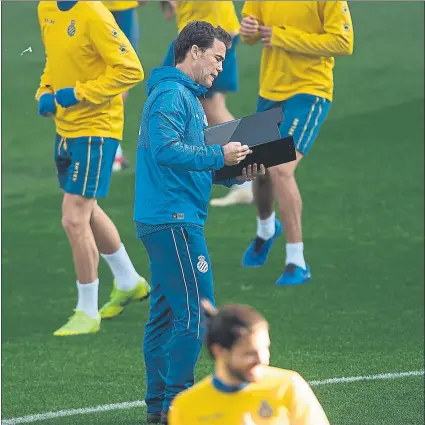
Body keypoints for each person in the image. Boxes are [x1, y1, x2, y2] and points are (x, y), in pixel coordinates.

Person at [134, 21, 265, 424]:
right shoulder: (173, 95)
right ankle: (177, 408)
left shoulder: (183, 96)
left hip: (166, 217)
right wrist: (218, 157)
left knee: (166, 315)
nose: (220, 68)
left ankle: (159, 407)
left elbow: (189, 160)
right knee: (196, 313)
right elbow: (166, 151)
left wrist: (234, 171)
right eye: (217, 57)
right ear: (193, 52)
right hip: (175, 221)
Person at [36, 0, 150, 336]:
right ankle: (129, 280)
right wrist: (45, 89)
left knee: (73, 217)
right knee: (87, 209)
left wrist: (83, 93)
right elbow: (55, 62)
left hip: (97, 129)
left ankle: (87, 312)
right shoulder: (46, 8)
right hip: (65, 127)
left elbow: (131, 69)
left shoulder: (93, 13)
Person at [239, 1, 354, 285]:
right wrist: (249, 30)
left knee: (281, 168)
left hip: (309, 90)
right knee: (257, 167)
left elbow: (342, 41)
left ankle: (297, 261)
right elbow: (250, 31)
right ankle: (266, 230)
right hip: (270, 89)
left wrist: (281, 36)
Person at [168, 300, 330, 425]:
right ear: (220, 351)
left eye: (265, 348)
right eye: (249, 353)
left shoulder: (287, 387)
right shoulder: (186, 406)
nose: (263, 360)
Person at [162, 1, 254, 206]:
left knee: (206, 104)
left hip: (208, 34)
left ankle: (246, 174)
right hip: (210, 28)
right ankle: (244, 176)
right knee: (208, 106)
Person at [102, 1, 146, 172]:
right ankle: (110, 148)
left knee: (120, 74)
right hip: (97, 8)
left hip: (116, 7)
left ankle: (111, 147)